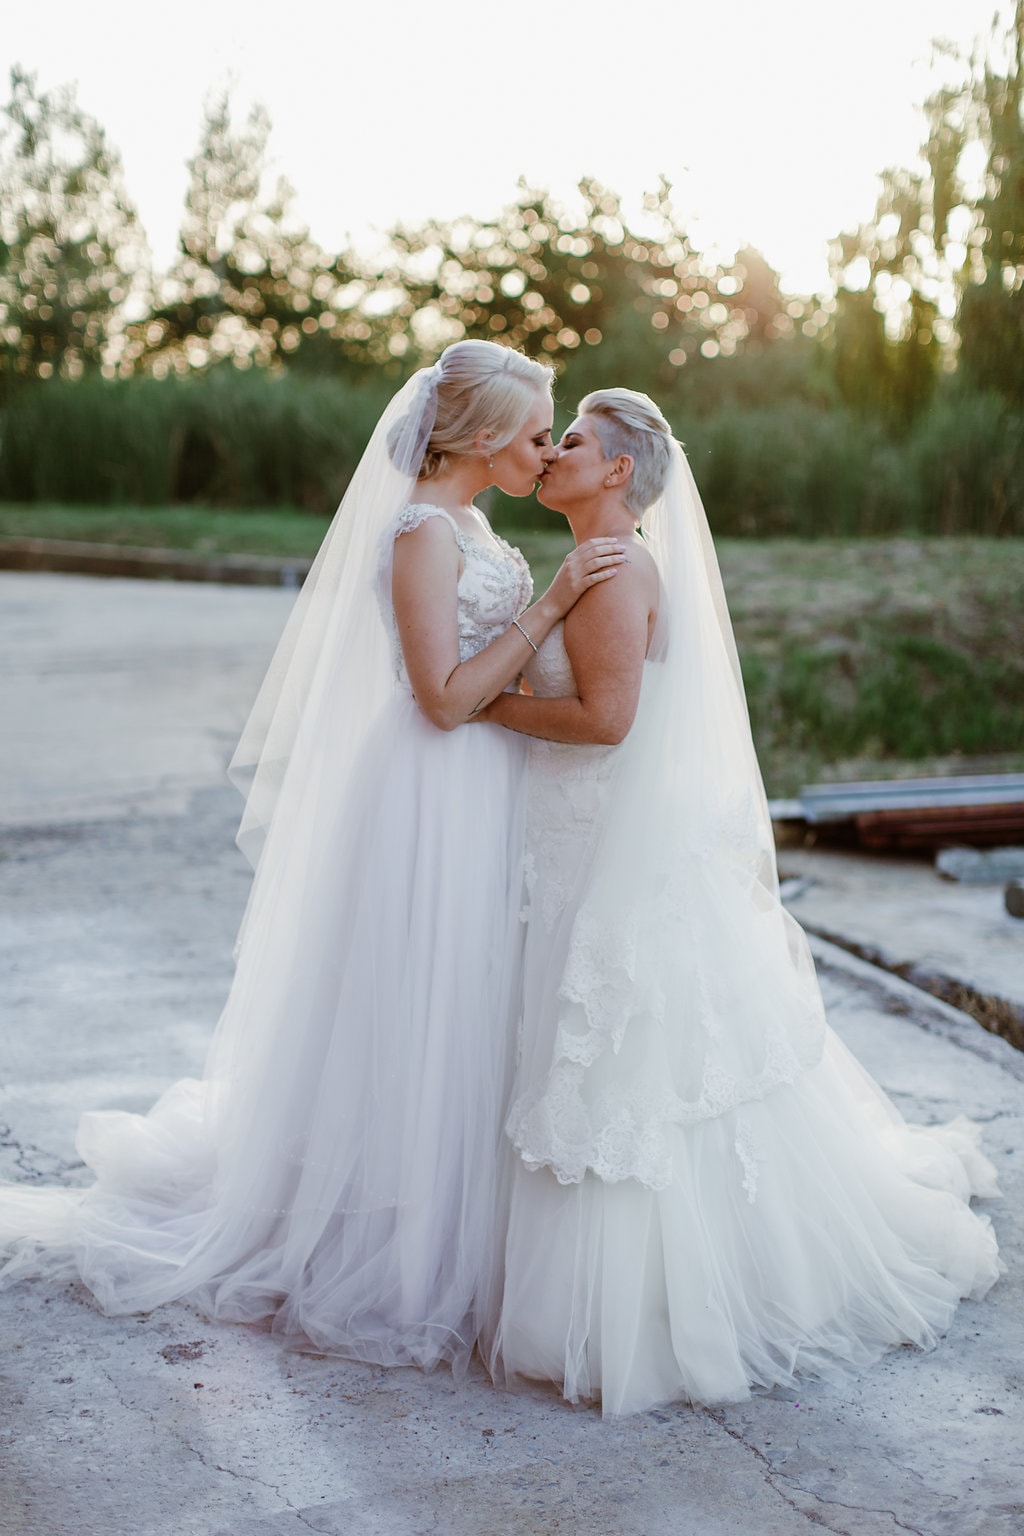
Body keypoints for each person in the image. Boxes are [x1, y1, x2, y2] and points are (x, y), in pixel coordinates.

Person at [0, 340, 625, 1378]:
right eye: (530, 432)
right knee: (419, 1002)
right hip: (428, 789)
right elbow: (440, 695)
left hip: (485, 785)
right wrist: (550, 605)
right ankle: (387, 1247)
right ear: (478, 439)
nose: (542, 447)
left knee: (472, 1004)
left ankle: (465, 1233)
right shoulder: (422, 532)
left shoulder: (472, 523)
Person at [477, 388, 1002, 1417]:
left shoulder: (617, 572)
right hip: (582, 837)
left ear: (619, 471)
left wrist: (479, 699)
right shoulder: (594, 563)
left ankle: (653, 1301)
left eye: (571, 441)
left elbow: (608, 720)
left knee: (630, 1064)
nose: (554, 454)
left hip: (606, 846)